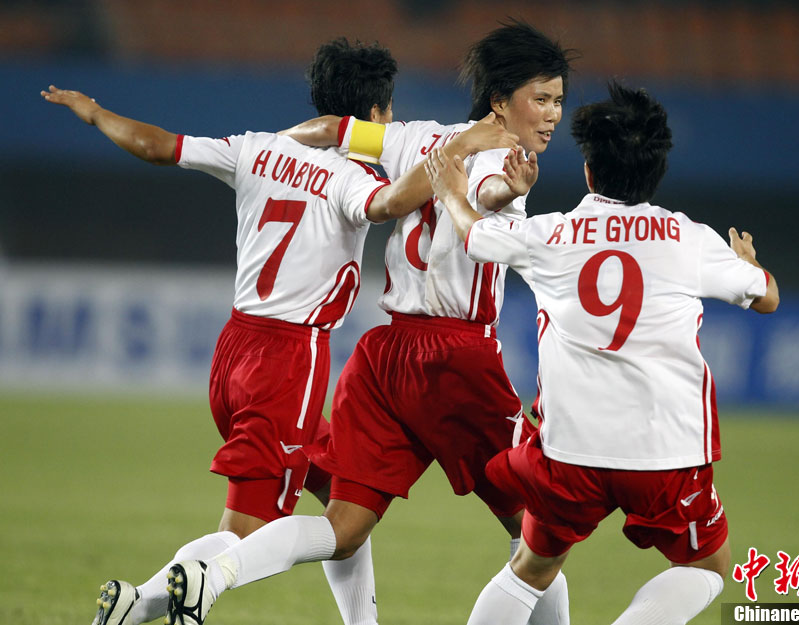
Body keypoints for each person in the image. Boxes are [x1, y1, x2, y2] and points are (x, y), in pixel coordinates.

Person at [41, 38, 517, 625]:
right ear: (375, 114)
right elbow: (391, 203)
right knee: (245, 529)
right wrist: (463, 145)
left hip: (233, 351)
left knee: (342, 500)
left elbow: (158, 145)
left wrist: (95, 113)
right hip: (288, 362)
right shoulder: (347, 177)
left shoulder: (255, 147)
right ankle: (140, 602)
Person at [161, 21, 576, 625]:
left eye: (558, 100)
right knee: (539, 531)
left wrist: (278, 146)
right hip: (456, 359)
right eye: (540, 98)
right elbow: (485, 192)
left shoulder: (410, 136)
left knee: (343, 528)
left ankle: (216, 572)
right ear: (499, 100)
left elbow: (332, 129)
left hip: (385, 359)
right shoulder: (498, 158)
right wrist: (499, 195)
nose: (553, 114)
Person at [424, 80, 779, 625]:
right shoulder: (689, 238)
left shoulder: (552, 234)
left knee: (531, 569)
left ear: (590, 171)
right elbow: (767, 298)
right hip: (665, 453)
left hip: (571, 452)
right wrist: (747, 262)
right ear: (657, 171)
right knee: (707, 567)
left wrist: (451, 191)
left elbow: (476, 236)